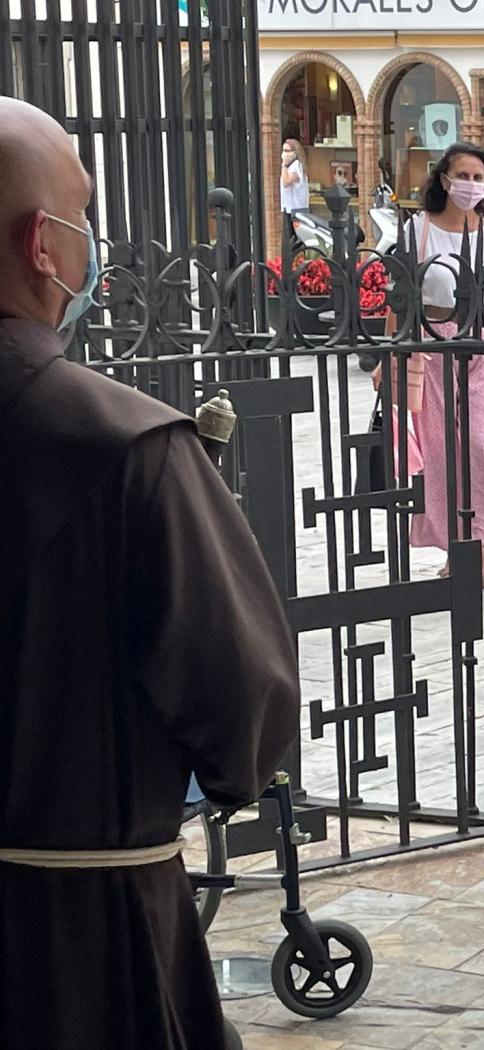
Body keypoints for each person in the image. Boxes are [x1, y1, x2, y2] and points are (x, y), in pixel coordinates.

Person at [0, 97, 300, 1050]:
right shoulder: (127, 447)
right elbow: (240, 695)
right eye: (84, 215)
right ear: (43, 245)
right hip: (83, 935)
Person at [376, 142, 484, 587]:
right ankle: (462, 550)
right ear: (443, 179)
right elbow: (400, 297)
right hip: (433, 347)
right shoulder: (418, 231)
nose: (470, 185)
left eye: (478, 178)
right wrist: (389, 354)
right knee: (439, 451)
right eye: (463, 176)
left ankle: (483, 545)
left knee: (478, 444)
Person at [280, 136, 309, 214]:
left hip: (297, 209)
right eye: (283, 150)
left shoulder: (297, 166)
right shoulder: (289, 166)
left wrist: (284, 166)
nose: (284, 154)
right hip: (288, 208)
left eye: (287, 151)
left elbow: (286, 182)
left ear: (294, 152)